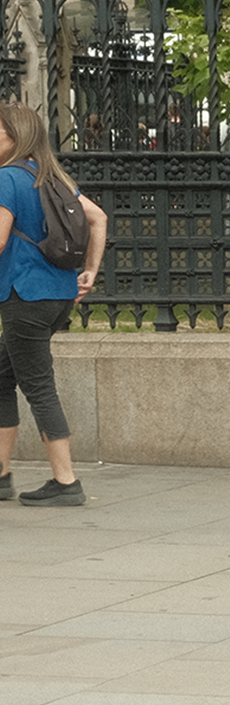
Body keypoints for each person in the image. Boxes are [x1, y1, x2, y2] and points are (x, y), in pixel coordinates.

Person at [0, 102, 108, 507]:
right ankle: (1, 474)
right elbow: (98, 217)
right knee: (1, 376)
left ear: (16, 137)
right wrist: (90, 271)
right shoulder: (53, 177)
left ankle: (66, 482)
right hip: (58, 295)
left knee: (39, 387)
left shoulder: (7, 178)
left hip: (23, 295)